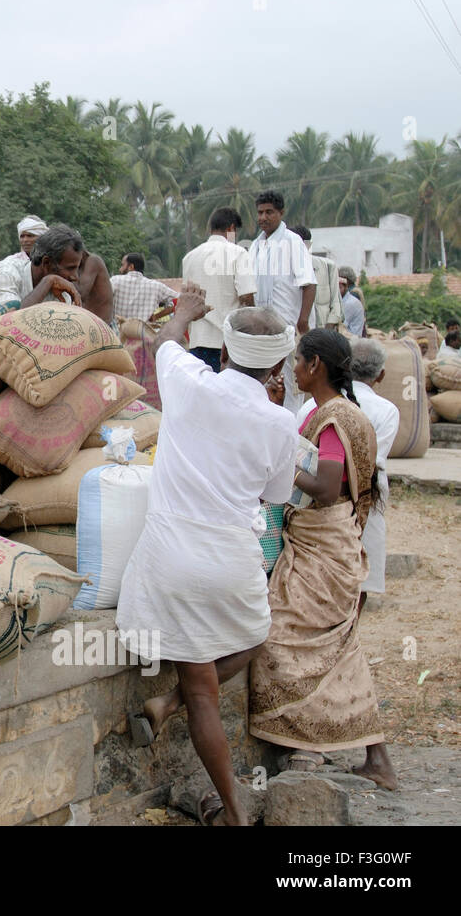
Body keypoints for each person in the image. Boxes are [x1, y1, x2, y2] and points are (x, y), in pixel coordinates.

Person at [119, 295, 300, 827]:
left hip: (172, 554)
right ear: (278, 366)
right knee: (255, 635)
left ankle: (234, 813)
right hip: (233, 559)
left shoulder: (188, 380)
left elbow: (164, 339)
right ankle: (175, 711)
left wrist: (187, 309)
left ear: (223, 349)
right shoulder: (281, 422)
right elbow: (274, 495)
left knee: (201, 692)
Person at [250, 329, 397, 791]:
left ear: (315, 365)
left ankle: (307, 744)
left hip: (322, 546)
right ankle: (376, 758)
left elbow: (327, 485)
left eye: (297, 361)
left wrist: (280, 468)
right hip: (332, 543)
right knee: (338, 648)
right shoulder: (333, 413)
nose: (292, 369)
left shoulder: (333, 417)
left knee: (283, 635)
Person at [298, 338, 399, 612]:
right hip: (355, 507)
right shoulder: (382, 410)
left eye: (297, 360)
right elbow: (373, 462)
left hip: (321, 514)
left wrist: (287, 472)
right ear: (380, 375)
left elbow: (319, 479)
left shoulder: (323, 411)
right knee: (354, 584)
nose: (294, 368)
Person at [249, 190, 316, 415]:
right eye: (260, 213)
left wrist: (303, 322)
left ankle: (293, 433)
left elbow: (309, 283)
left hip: (289, 326)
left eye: (269, 212)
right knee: (267, 382)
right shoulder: (256, 246)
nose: (263, 217)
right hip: (264, 329)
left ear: (281, 213)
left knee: (292, 381)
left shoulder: (292, 241)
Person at [182, 207, 256, 372]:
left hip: (197, 340)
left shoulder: (190, 257)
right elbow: (247, 298)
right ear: (231, 228)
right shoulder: (238, 253)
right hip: (227, 344)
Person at [0, 224, 85, 313]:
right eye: (70, 268)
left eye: (76, 269)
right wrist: (48, 281)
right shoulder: (5, 274)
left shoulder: (60, 291)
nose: (75, 276)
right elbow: (10, 323)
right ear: (46, 263)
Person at [290, 226, 342, 330]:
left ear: (308, 245)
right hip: (294, 331)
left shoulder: (327, 266)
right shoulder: (283, 271)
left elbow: (336, 303)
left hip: (322, 331)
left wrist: (327, 330)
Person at [110, 252, 179, 322]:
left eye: (122, 265)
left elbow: (101, 298)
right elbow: (180, 300)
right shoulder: (156, 286)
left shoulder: (115, 281)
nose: (120, 269)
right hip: (143, 331)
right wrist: (156, 316)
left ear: (131, 266)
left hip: (118, 331)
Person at [339, 269, 366, 338]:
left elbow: (341, 325)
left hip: (352, 338)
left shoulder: (351, 298)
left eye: (340, 287)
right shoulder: (346, 297)